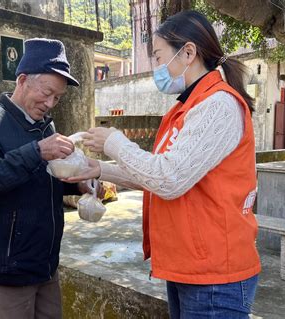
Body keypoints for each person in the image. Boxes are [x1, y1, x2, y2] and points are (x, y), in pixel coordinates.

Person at [66, 10, 261, 318]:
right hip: (189, 265)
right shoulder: (187, 108)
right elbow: (156, 174)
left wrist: (115, 142)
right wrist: (100, 168)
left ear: (188, 52)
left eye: (158, 57)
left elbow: (168, 180)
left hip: (215, 273)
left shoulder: (218, 106)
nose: (156, 67)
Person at [0, 38, 98, 318]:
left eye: (57, 98)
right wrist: (36, 151)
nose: (50, 103)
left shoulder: (45, 127)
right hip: (8, 268)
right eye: (46, 93)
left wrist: (76, 183)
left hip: (45, 264)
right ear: (22, 80)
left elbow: (40, 181)